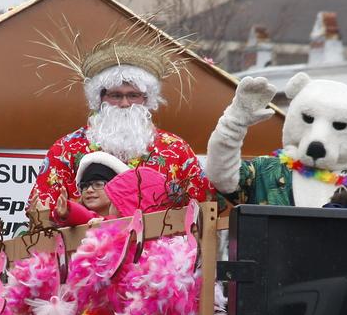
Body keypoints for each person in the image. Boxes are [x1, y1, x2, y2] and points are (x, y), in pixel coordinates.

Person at [28, 31, 212, 214]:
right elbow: (41, 213)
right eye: (116, 95)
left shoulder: (176, 150)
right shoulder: (66, 149)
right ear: (99, 99)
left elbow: (204, 207)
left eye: (133, 95)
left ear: (146, 99)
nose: (124, 104)